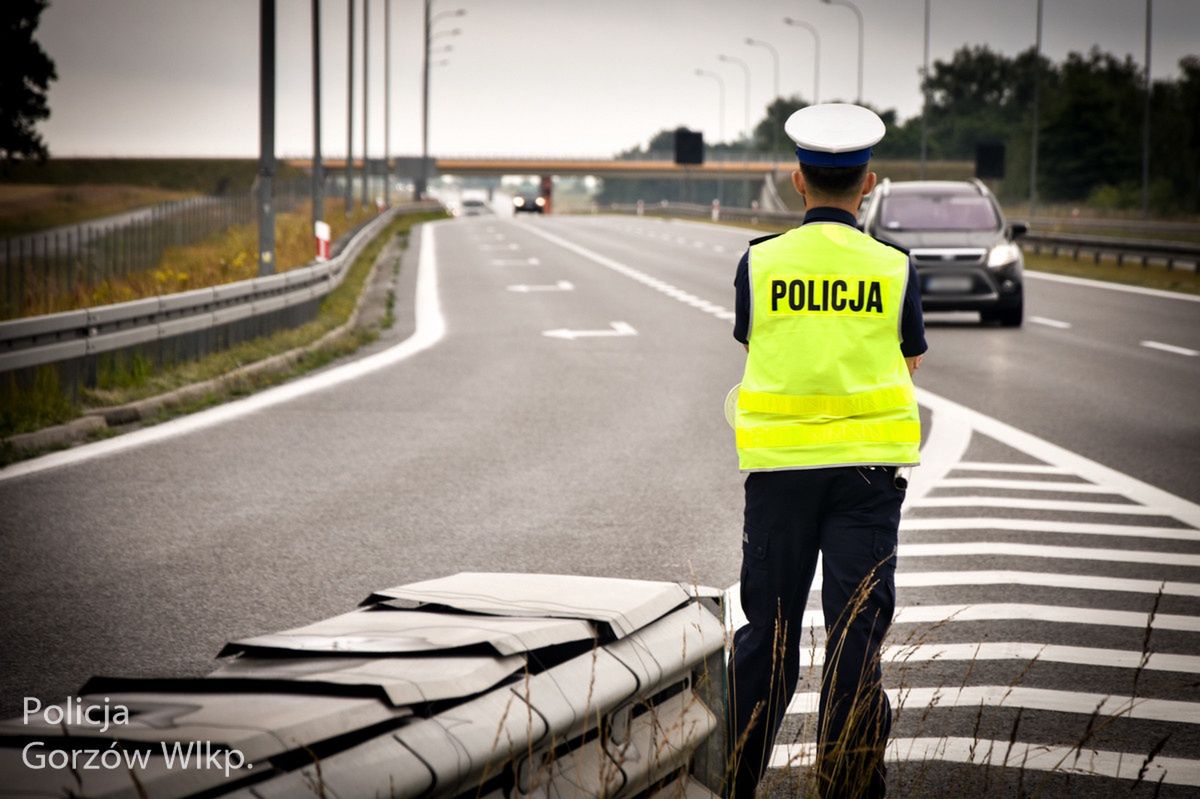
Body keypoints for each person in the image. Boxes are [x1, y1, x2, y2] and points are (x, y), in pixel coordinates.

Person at [727, 103, 927, 799]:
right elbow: (910, 362)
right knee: (853, 644)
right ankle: (848, 786)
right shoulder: (893, 267)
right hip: (867, 477)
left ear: (796, 181)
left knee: (769, 639)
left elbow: (760, 346)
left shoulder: (761, 262)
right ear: (868, 182)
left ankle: (732, 781)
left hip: (781, 474)